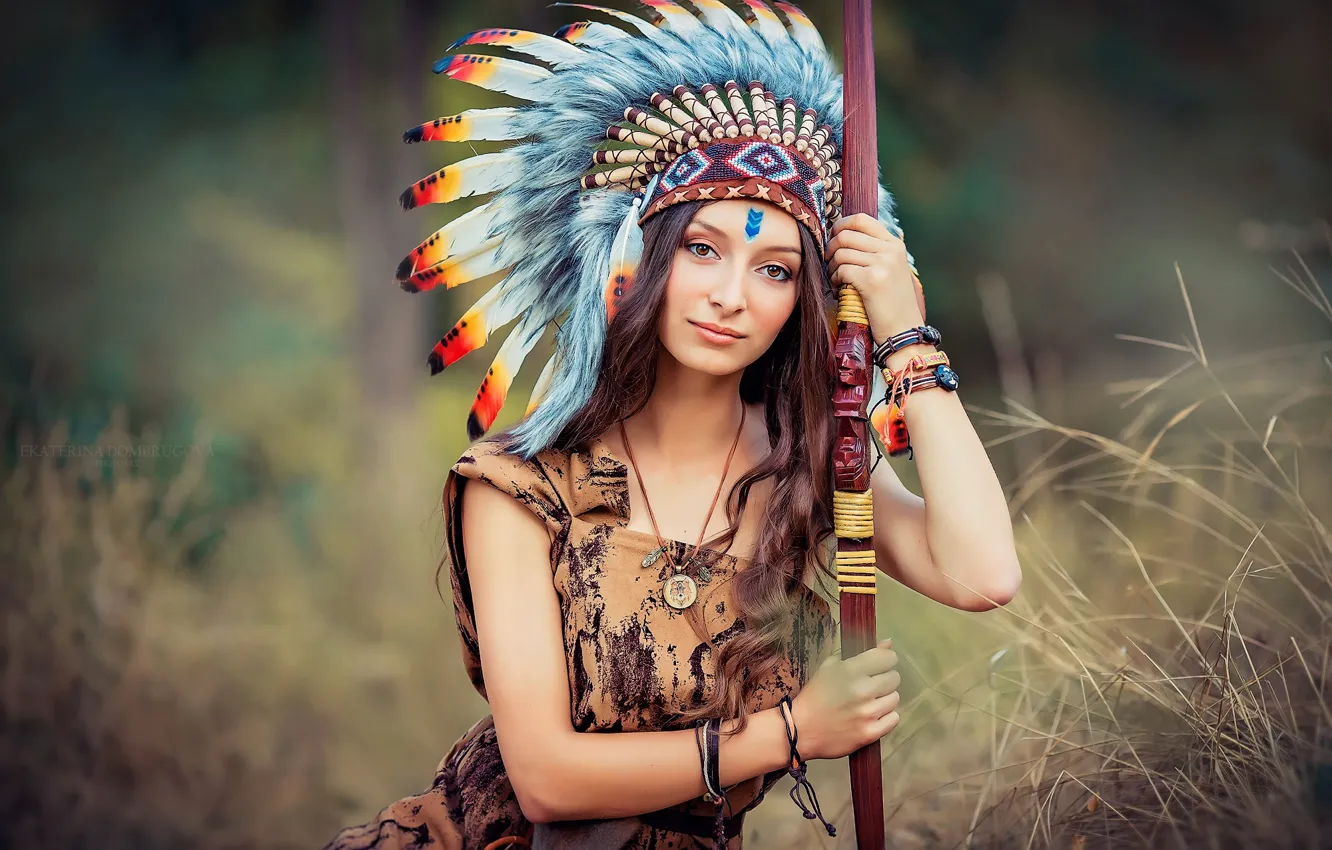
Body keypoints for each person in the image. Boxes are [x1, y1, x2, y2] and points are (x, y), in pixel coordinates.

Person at [323, 2, 1021, 848]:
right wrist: (795, 733)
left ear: (803, 301)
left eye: (774, 269)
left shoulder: (813, 469)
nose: (731, 295)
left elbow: (983, 575)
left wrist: (904, 332)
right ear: (637, 257)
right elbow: (545, 779)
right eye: (700, 248)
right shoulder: (520, 484)